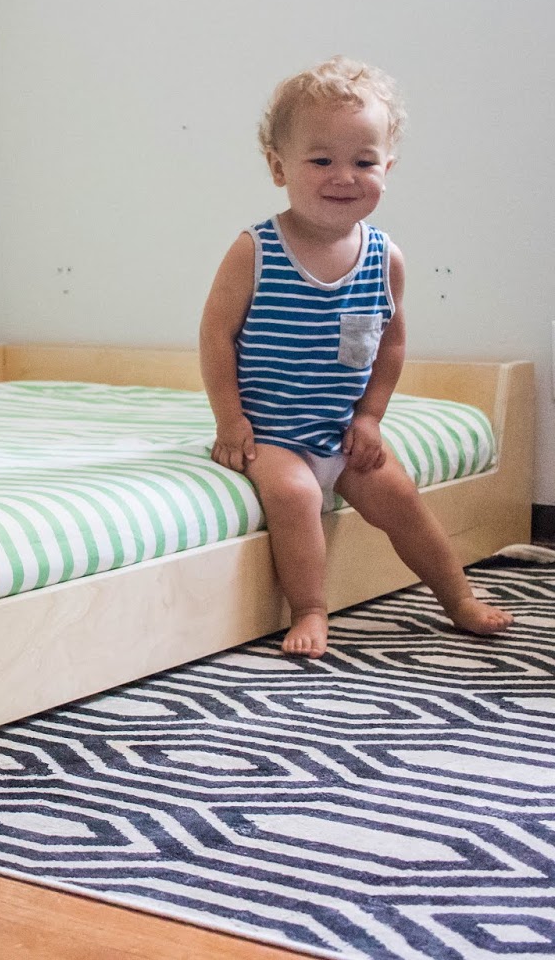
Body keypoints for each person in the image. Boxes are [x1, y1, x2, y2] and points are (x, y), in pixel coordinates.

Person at [198, 56, 513, 658]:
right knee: (295, 496)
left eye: (364, 161)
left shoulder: (384, 257)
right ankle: (310, 608)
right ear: (277, 167)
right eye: (321, 160)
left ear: (387, 168)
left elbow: (390, 342)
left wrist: (369, 418)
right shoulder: (255, 251)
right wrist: (230, 421)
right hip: (273, 434)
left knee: (402, 501)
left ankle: (458, 598)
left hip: (341, 431)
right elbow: (217, 338)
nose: (344, 175)